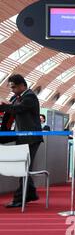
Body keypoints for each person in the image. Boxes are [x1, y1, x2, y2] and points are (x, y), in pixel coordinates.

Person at [0, 74, 43, 208]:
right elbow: (12, 107)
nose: (12, 90)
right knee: (24, 167)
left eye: (14, 87)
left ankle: (20, 198)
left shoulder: (30, 96)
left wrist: (3, 106)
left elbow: (17, 108)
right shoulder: (16, 97)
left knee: (23, 168)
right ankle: (30, 193)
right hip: (22, 136)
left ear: (22, 85)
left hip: (31, 138)